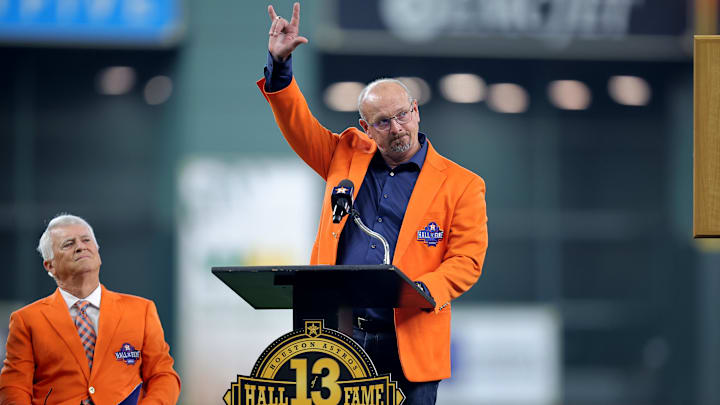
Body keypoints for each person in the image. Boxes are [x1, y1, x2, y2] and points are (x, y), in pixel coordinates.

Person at [258, 3, 488, 404]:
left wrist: (417, 289)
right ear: (366, 127)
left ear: (416, 111)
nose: (396, 128)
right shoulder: (344, 154)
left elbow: (467, 261)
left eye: (401, 115)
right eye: (382, 121)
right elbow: (299, 125)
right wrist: (280, 65)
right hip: (340, 338)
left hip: (411, 341)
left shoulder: (462, 184)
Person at [0, 214, 181, 405]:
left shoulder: (141, 311)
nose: (80, 246)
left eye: (86, 240)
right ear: (50, 265)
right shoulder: (26, 320)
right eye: (68, 244)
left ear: (98, 253)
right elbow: (14, 387)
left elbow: (163, 375)